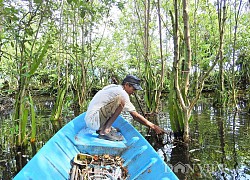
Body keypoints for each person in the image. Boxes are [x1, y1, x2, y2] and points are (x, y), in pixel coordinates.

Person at [84, 75, 165, 141]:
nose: (133, 92)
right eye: (133, 89)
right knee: (121, 101)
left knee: (118, 102)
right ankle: (105, 131)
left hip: (92, 120)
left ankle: (102, 128)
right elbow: (135, 116)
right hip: (94, 120)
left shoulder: (114, 87)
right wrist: (153, 126)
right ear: (126, 85)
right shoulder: (122, 93)